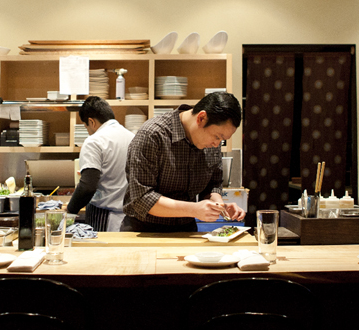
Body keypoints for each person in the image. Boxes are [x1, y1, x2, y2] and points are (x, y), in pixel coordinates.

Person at [121, 91, 244, 232]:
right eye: (217, 136)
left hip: (186, 229)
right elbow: (142, 199)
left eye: (222, 140)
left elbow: (213, 185)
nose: (217, 144)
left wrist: (219, 205)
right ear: (201, 118)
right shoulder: (152, 135)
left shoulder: (211, 144)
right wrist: (193, 209)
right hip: (144, 230)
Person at [67, 96, 134, 232]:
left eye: (86, 127)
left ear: (91, 122)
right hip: (129, 220)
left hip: (104, 218)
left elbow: (87, 186)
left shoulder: (94, 141)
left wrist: (69, 211)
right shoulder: (132, 137)